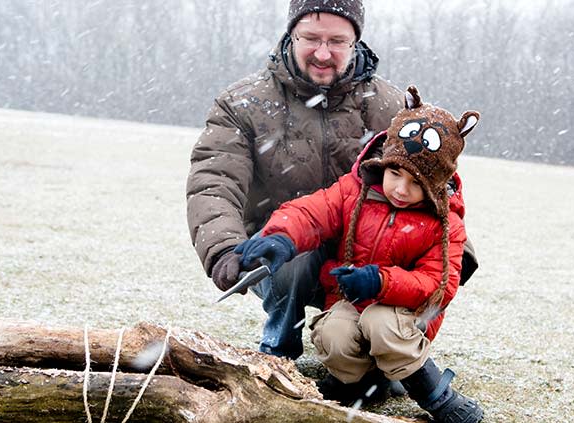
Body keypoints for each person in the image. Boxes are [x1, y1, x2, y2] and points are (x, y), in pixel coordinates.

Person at [187, 0, 478, 361]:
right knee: (293, 257)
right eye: (310, 37)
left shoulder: (392, 108)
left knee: (397, 306)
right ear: (291, 35)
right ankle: (278, 350)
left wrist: (456, 251)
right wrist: (223, 247)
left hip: (367, 254)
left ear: (355, 41)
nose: (323, 53)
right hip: (281, 251)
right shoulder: (242, 104)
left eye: (337, 41)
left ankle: (381, 360)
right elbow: (214, 179)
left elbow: (435, 175)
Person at [234, 86, 484, 422]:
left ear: (436, 183)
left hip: (404, 314)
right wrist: (280, 237)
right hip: (350, 302)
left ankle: (436, 395)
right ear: (384, 161)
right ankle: (360, 383)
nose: (400, 189)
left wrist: (380, 281)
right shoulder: (358, 190)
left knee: (380, 323)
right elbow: (313, 211)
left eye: (416, 182)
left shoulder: (445, 224)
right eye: (395, 173)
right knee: (333, 332)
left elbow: (439, 284)